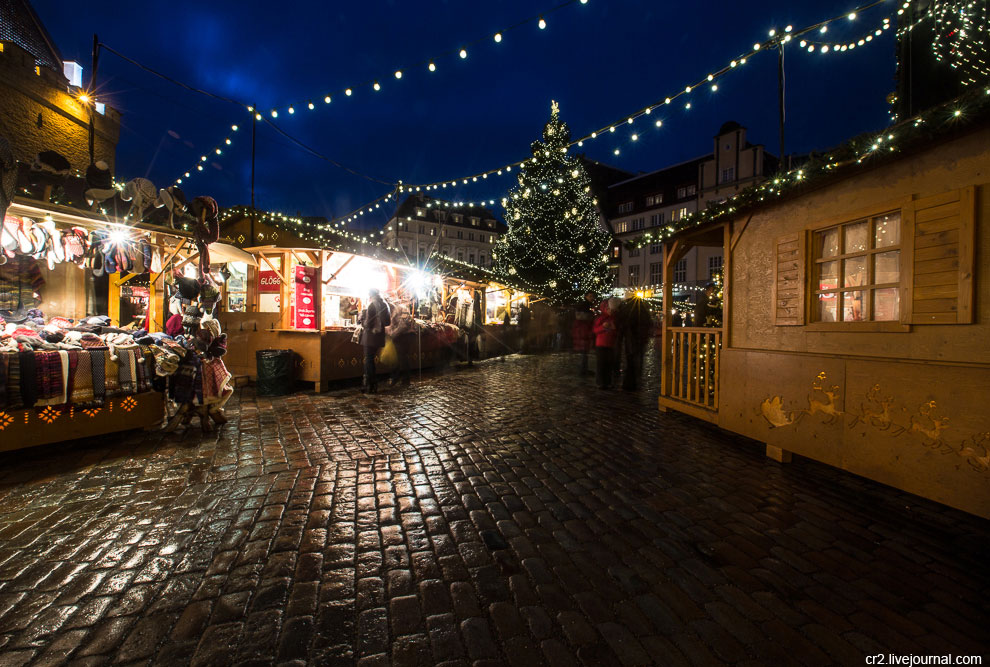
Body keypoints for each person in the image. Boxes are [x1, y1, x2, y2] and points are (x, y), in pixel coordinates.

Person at [616, 297, 653, 391]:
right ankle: (636, 381)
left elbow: (622, 326)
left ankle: (629, 383)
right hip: (640, 339)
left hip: (630, 340)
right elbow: (649, 325)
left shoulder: (627, 313)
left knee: (630, 361)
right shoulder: (644, 313)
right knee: (638, 361)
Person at [358, 288, 391, 393]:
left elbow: (367, 324)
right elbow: (387, 322)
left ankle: (370, 385)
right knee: (370, 360)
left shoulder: (372, 304)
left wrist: (361, 319)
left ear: (370, 294)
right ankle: (371, 384)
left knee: (368, 360)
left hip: (370, 336)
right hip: (379, 336)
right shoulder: (385, 304)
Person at [386, 299, 416, 387]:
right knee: (398, 358)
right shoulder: (393, 311)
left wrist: (393, 334)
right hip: (399, 336)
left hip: (404, 336)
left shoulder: (402, 309)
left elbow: (402, 325)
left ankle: (404, 379)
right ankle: (397, 378)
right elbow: (393, 324)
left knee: (402, 358)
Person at [592, 298, 618, 389]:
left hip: (610, 344)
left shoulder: (614, 318)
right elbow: (595, 330)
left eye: (612, 309)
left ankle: (608, 382)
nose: (611, 311)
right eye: (608, 309)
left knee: (609, 364)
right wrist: (603, 327)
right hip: (601, 344)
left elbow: (616, 333)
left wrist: (614, 329)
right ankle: (600, 382)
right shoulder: (600, 318)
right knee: (601, 364)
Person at [572, 291, 596, 375]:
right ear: (586, 297)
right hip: (583, 331)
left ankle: (584, 369)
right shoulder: (585, 305)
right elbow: (583, 317)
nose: (592, 298)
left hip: (583, 330)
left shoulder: (587, 305)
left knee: (585, 351)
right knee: (584, 351)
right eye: (590, 296)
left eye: (592, 296)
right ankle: (583, 370)